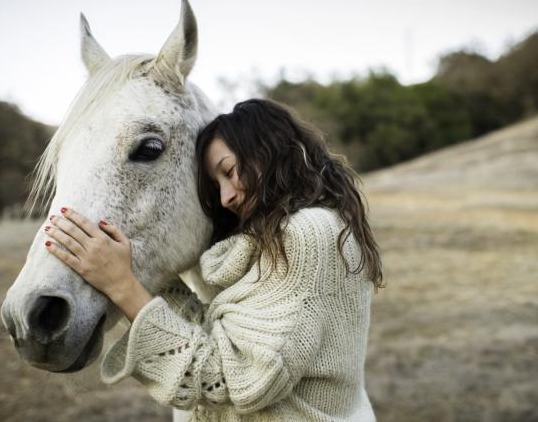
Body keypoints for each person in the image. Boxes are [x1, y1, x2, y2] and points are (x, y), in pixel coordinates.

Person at [44, 98, 384, 420]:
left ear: (271, 152)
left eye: (229, 170)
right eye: (216, 184)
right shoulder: (275, 238)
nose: (226, 197)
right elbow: (219, 336)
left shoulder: (307, 232)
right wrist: (133, 269)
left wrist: (123, 287)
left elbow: (241, 380)